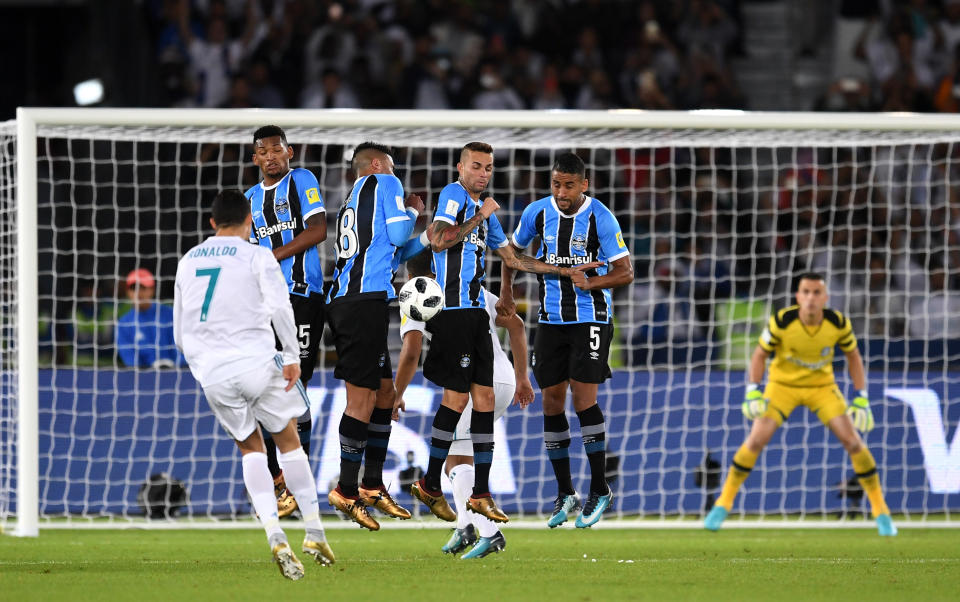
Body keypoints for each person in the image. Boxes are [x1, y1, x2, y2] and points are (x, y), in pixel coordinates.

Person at [410, 141, 581, 525]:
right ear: (460, 167)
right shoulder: (454, 196)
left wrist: (564, 270)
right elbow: (439, 239)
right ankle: (431, 484)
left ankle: (478, 493)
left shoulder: (486, 214)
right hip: (452, 311)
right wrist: (479, 216)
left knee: (482, 398)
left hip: (474, 313)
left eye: (488, 168)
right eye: (476, 166)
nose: (483, 173)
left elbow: (514, 258)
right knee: (457, 402)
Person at [173, 189, 334, 581]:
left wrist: (201, 366)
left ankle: (274, 534)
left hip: (213, 373)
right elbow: (281, 308)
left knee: (250, 449)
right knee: (289, 441)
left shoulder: (188, 261)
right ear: (249, 221)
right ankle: (313, 530)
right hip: (258, 362)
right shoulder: (257, 254)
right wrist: (293, 357)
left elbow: (180, 330)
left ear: (212, 223)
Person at [704, 272, 897, 537]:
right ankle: (722, 504)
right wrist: (752, 391)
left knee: (853, 442)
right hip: (783, 387)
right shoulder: (782, 321)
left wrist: (861, 396)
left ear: (825, 298)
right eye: (805, 292)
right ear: (798, 296)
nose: (811, 298)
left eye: (816, 293)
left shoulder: (838, 323)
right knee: (755, 441)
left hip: (821, 388)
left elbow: (853, 356)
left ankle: (881, 511)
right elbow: (760, 355)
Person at [498, 152, 634, 529]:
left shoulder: (601, 217)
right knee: (552, 403)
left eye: (569, 185)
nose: (561, 192)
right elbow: (511, 255)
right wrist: (506, 293)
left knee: (583, 399)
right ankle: (565, 492)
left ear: (583, 185)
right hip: (552, 320)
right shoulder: (537, 213)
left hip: (591, 318)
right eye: (556, 184)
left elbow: (625, 273)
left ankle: (600, 489)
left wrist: (591, 283)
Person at [395, 249, 534, 559]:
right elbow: (518, 326)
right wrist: (523, 378)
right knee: (460, 456)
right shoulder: (473, 291)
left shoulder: (419, 296)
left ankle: (489, 532)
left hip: (471, 381)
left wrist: (397, 392)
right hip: (503, 378)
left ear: (415, 277)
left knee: (456, 461)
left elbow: (411, 349)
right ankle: (464, 526)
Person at [325, 141, 423, 530]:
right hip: (360, 304)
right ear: (380, 164)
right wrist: (414, 208)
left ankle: (370, 484)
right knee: (361, 399)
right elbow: (400, 233)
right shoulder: (385, 181)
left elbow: (393, 252)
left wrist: (429, 237)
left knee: (384, 394)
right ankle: (346, 491)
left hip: (360, 301)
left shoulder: (354, 199)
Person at [245, 125, 327, 518]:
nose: (271, 156)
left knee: (295, 385)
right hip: (263, 306)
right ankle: (280, 480)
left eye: (277, 149)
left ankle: (297, 479)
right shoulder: (248, 201)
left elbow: (318, 230)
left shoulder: (302, 181)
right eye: (264, 151)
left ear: (289, 153)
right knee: (264, 388)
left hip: (301, 298)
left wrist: (271, 257)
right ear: (255, 159)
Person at [116, 268, 182, 369]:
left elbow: (182, 348)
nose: (138, 293)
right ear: (128, 292)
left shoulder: (170, 314)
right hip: (143, 379)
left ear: (152, 290)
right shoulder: (123, 324)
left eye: (143, 288)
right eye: (134, 288)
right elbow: (130, 359)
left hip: (178, 374)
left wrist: (175, 368)